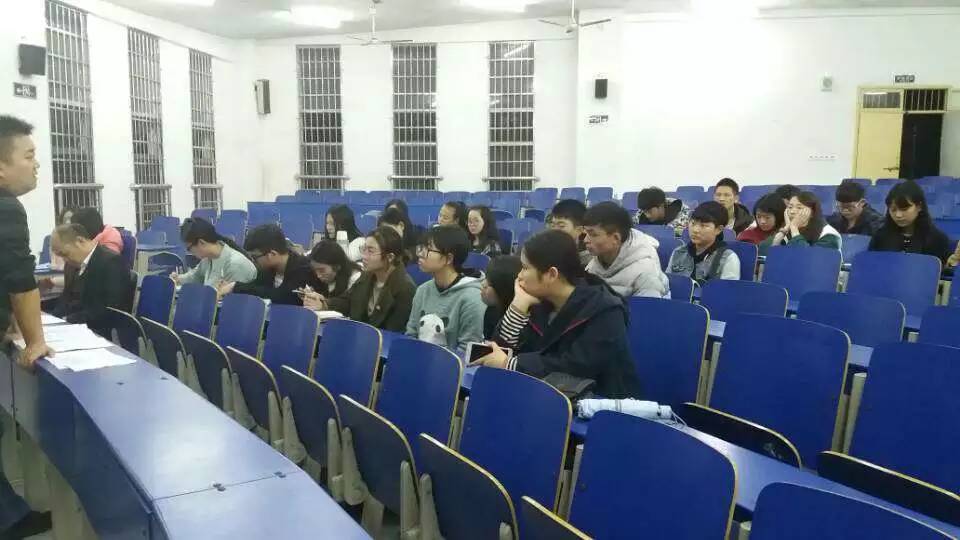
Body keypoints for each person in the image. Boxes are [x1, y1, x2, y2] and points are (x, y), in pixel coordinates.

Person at [473, 230, 641, 399]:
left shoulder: (605, 311)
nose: (519, 276)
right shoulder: (539, 301)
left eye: (525, 268)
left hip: (595, 403)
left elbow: (575, 368)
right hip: (539, 395)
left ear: (551, 274)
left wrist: (510, 364)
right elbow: (498, 350)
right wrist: (518, 306)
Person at [0, 115, 53, 537]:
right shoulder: (5, 207)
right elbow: (19, 278)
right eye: (29, 155)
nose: (37, 164)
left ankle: (11, 515)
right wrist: (35, 342)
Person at [405, 225, 486, 356]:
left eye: (427, 250)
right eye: (421, 248)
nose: (419, 254)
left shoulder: (472, 298)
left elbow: (467, 350)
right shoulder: (422, 290)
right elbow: (411, 334)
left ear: (448, 258)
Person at [325, 227, 416, 332]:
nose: (364, 256)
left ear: (390, 257)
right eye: (364, 249)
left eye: (370, 251)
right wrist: (324, 303)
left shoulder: (405, 288)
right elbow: (347, 301)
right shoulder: (367, 276)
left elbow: (394, 330)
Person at [49, 223, 135, 335]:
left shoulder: (111, 262)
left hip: (99, 330)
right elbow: (66, 298)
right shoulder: (72, 265)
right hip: (74, 327)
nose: (64, 259)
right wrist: (53, 320)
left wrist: (68, 320)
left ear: (80, 241)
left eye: (64, 254)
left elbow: (112, 308)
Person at [582, 202, 669, 298]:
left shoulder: (646, 273)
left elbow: (648, 306)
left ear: (616, 238)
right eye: (586, 233)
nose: (585, 240)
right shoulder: (594, 264)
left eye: (593, 234)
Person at [869, 180, 955, 265]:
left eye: (904, 209)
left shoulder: (937, 239)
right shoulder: (880, 237)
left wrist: (950, 265)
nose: (898, 215)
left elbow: (942, 270)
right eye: (893, 210)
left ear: (919, 206)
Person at [228, 224, 313, 305]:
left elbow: (283, 296)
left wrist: (237, 287)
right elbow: (256, 288)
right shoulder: (267, 269)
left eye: (254, 257)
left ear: (272, 254)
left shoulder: (303, 269)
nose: (252, 261)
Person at [173, 218, 258, 288]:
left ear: (201, 242)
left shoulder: (235, 264)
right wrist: (177, 279)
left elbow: (231, 300)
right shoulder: (208, 259)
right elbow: (195, 276)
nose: (190, 252)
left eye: (189, 248)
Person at [669, 202, 741, 284]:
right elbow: (667, 286)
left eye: (703, 226)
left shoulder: (728, 258)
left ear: (719, 229)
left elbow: (727, 290)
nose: (695, 230)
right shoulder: (678, 252)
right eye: (693, 223)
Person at [760, 191, 841, 255]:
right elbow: (766, 253)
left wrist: (794, 228)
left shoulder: (829, 235)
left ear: (812, 212)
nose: (792, 211)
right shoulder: (788, 232)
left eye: (799, 208)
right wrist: (785, 230)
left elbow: (807, 259)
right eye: (790, 207)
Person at [301, 240, 362, 310]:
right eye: (315, 270)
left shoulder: (356, 279)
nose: (318, 275)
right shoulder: (331, 278)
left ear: (337, 266)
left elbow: (349, 306)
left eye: (322, 270)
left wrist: (324, 304)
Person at [480, 255, 522, 340]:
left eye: (489, 283)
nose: (483, 284)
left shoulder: (517, 324)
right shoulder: (492, 310)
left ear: (502, 290)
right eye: (486, 278)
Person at [547, 199, 590, 265]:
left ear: (579, 230)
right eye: (552, 225)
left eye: (561, 226)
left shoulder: (588, 261)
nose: (555, 230)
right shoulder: (546, 253)